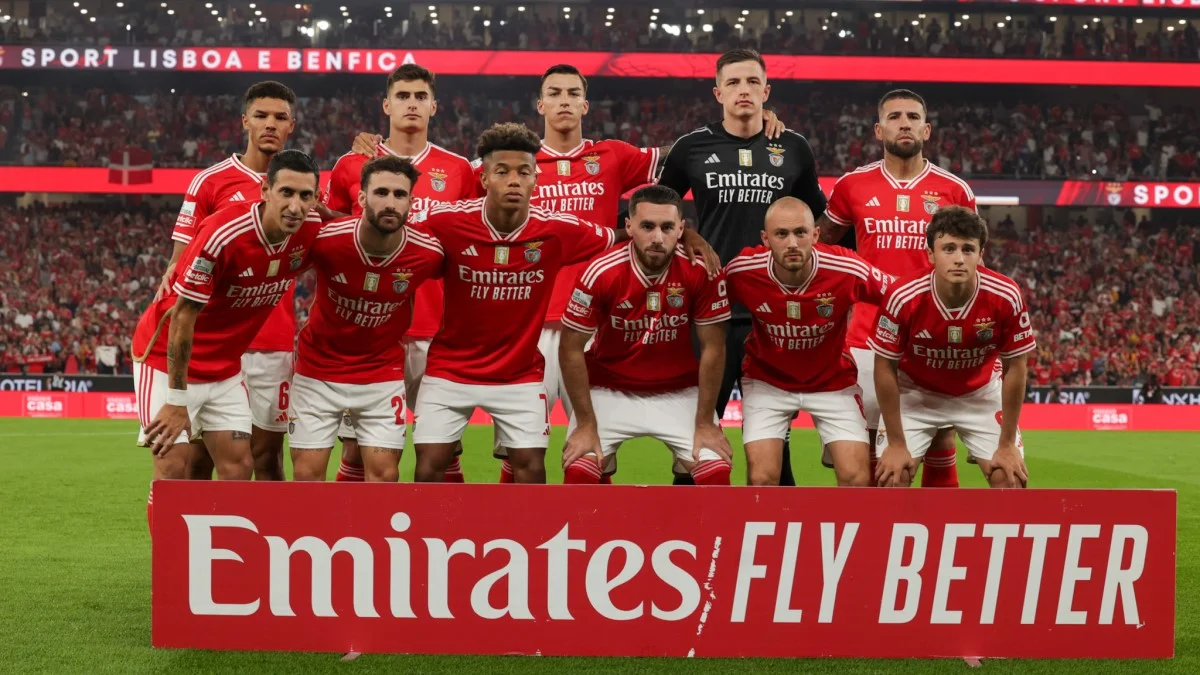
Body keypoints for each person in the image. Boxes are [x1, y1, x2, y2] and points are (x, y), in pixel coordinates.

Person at [411, 123, 713, 484]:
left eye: (524, 172)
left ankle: (523, 525)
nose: (513, 181)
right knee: (430, 465)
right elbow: (394, 236)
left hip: (519, 374)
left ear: (535, 179)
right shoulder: (446, 222)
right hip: (449, 369)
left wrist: (685, 233)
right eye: (502, 172)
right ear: (485, 178)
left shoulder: (556, 229)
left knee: (531, 468)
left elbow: (625, 234)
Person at [657, 48, 827, 486]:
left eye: (752, 82)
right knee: (696, 441)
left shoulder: (793, 147)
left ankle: (776, 525)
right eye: (733, 82)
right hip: (711, 311)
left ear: (766, 91)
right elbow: (657, 210)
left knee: (777, 445)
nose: (743, 90)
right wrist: (687, 234)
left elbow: (820, 221)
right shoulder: (691, 147)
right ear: (718, 93)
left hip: (775, 313)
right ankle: (685, 524)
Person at [133, 150, 322, 529]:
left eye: (306, 196)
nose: (295, 206)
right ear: (265, 190)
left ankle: (219, 555)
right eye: (286, 192)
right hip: (165, 359)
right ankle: (171, 563)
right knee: (173, 467)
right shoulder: (224, 233)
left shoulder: (311, 230)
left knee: (239, 467)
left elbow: (351, 229)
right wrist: (177, 402)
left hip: (224, 368)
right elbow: (182, 317)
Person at [819, 88, 977, 488]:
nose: (904, 123)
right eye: (894, 117)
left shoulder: (954, 190)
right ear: (879, 130)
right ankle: (876, 528)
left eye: (912, 117)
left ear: (926, 129)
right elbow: (822, 246)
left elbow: (972, 266)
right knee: (872, 447)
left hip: (931, 334)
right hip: (867, 335)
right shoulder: (852, 185)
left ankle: (940, 527)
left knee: (941, 436)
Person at [327, 64, 476, 483]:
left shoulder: (459, 170)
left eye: (420, 96)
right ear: (386, 105)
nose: (412, 104)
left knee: (444, 449)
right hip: (369, 330)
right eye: (403, 96)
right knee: (356, 449)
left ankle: (444, 527)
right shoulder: (351, 165)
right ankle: (353, 526)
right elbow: (330, 238)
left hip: (439, 330)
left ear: (434, 107)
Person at [157, 80, 300, 482]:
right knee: (200, 457)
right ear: (245, 121)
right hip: (215, 345)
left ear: (291, 125)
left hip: (272, 343)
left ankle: (266, 527)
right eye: (261, 115)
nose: (270, 124)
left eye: (280, 117)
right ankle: (201, 526)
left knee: (268, 458)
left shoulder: (300, 186)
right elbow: (180, 263)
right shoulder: (211, 181)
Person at [559, 185, 733, 485]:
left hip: (680, 390)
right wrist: (585, 424)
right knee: (578, 471)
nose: (657, 238)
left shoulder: (702, 269)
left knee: (716, 472)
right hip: (608, 388)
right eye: (647, 227)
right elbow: (570, 347)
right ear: (629, 227)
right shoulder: (600, 271)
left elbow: (714, 347)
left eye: (667, 228)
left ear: (681, 229)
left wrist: (705, 422)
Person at [289, 156, 443, 482]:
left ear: (411, 202)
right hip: (318, 371)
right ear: (361, 198)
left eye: (400, 195)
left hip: (381, 374)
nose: (390, 203)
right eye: (381, 192)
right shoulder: (326, 240)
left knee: (385, 476)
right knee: (306, 476)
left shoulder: (428, 252)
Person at [726, 197, 889, 487]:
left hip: (832, 382)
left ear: (815, 235)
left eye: (800, 233)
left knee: (856, 479)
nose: (792, 243)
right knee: (762, 479)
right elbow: (700, 299)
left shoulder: (846, 268)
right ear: (765, 238)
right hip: (767, 381)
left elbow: (901, 297)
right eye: (781, 234)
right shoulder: (742, 271)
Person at [870, 207, 1034, 489]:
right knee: (892, 478)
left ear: (980, 255)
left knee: (1009, 480)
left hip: (979, 394)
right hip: (915, 395)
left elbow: (1016, 367)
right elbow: (884, 365)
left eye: (968, 249)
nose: (959, 258)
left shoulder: (1006, 295)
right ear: (931, 254)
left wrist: (1007, 444)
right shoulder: (903, 296)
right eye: (948, 248)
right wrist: (896, 444)